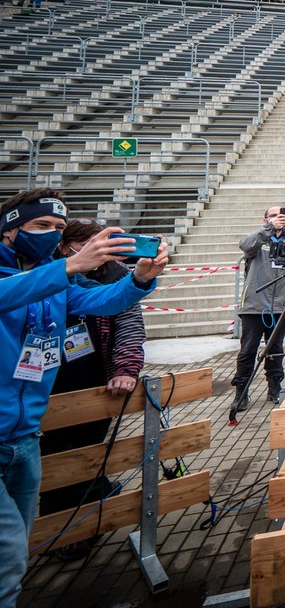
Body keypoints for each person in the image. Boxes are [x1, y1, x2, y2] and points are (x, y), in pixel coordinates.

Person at [0, 189, 167, 604]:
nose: (51, 235)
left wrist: (140, 279)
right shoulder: (46, 274)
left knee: (14, 550)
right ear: (9, 229)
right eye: (41, 226)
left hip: (24, 437)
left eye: (57, 228)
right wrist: (70, 264)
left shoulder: (57, 278)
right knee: (7, 558)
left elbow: (102, 301)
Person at [40, 220, 147, 536]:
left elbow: (129, 325)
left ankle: (85, 524)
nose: (100, 253)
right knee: (52, 461)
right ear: (65, 248)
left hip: (94, 384)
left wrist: (125, 369)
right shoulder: (44, 277)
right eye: (90, 246)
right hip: (43, 387)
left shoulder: (115, 277)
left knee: (87, 453)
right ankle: (55, 529)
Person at [235, 205, 285, 406]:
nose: (278, 219)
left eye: (281, 216)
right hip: (255, 306)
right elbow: (245, 245)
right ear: (266, 220)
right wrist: (269, 229)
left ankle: (274, 388)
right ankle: (241, 392)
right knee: (248, 350)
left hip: (281, 305)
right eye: (273, 216)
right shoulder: (259, 239)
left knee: (275, 349)